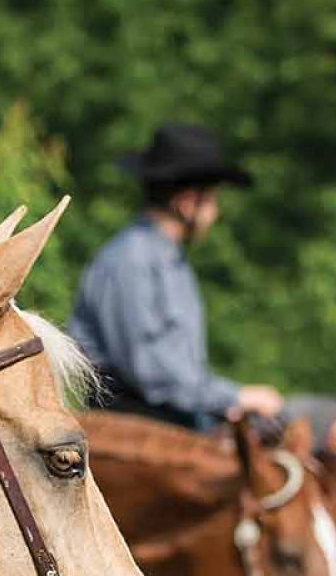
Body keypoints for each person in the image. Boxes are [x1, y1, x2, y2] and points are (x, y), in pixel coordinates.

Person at [68, 122, 283, 430]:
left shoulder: (168, 260)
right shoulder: (131, 260)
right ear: (186, 202)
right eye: (211, 200)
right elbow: (150, 370)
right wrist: (233, 397)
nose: (215, 213)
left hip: (173, 422)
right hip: (136, 431)